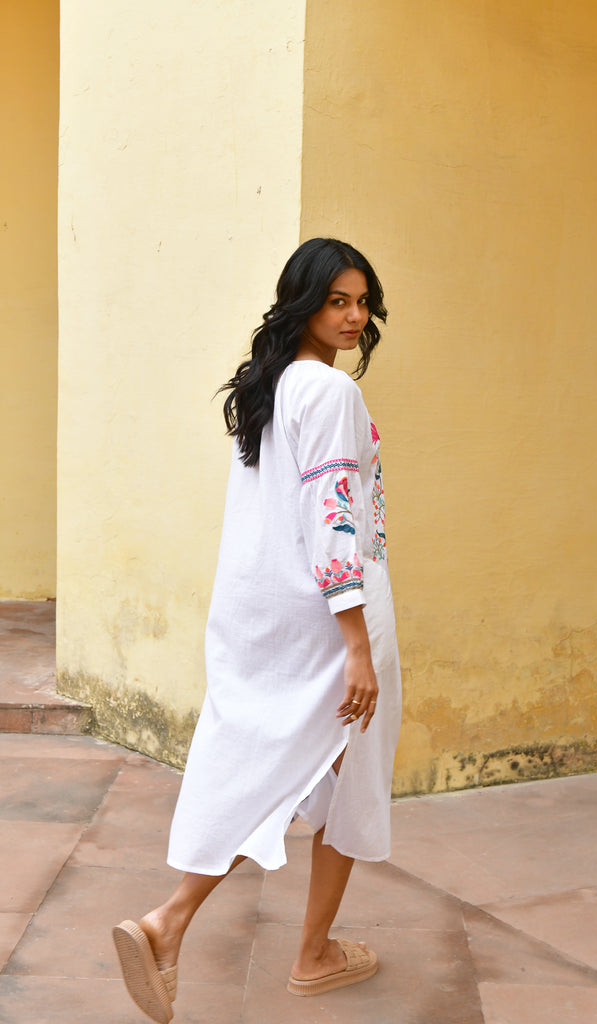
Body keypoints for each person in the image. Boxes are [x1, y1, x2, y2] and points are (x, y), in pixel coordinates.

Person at [113, 237, 402, 1023]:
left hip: (267, 611)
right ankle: (300, 953)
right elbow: (332, 517)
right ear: (301, 304)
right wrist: (356, 645)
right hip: (335, 615)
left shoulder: (269, 386)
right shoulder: (327, 391)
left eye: (361, 301)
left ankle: (175, 923)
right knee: (347, 774)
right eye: (336, 301)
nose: (353, 316)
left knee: (286, 770)